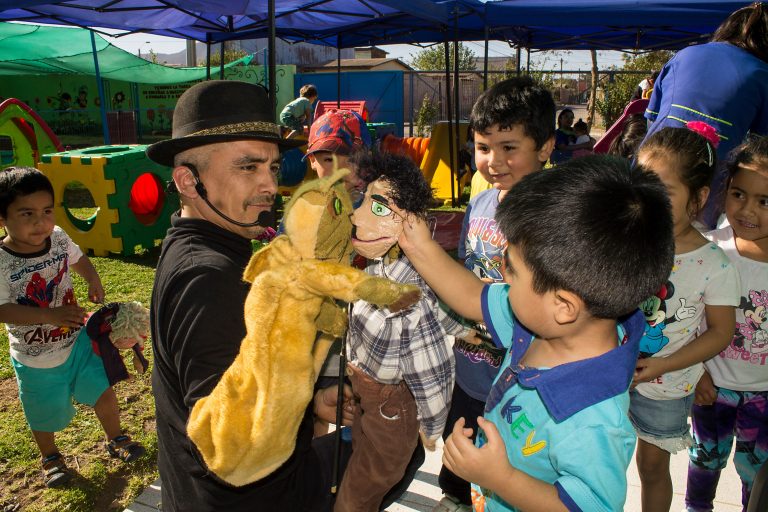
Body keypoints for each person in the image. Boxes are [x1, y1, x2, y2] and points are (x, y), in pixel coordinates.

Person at [145, 80, 420, 512]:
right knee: (403, 449)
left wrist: (308, 399)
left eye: (272, 168)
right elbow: (229, 446)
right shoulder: (209, 277)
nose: (270, 186)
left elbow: (241, 389)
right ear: (187, 180)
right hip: (257, 499)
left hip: (233, 490)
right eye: (247, 168)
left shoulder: (195, 245)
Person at [398, 155, 675, 511]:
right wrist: (417, 244)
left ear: (563, 306)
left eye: (509, 270)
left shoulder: (591, 420)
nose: (500, 273)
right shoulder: (542, 324)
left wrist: (501, 479)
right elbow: (471, 296)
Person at [438, 76, 555, 512]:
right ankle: (455, 499)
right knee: (460, 457)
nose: (493, 161)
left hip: (520, 379)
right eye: (483, 147)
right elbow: (466, 270)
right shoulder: (482, 204)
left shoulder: (553, 215)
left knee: (509, 473)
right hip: (470, 366)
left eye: (509, 147)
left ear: (544, 147)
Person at [335, 151, 471, 511]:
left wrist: (432, 425)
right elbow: (439, 306)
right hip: (367, 393)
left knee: (367, 482)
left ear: (410, 226)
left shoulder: (405, 295)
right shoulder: (378, 267)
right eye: (364, 201)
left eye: (378, 208)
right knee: (364, 461)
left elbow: (430, 368)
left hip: (390, 403)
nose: (356, 214)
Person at [0, 166, 144, 488]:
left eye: (47, 211)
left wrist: (92, 278)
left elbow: (77, 258)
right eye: (27, 213)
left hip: (78, 344)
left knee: (103, 391)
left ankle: (116, 437)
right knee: (42, 412)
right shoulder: (1, 261)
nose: (41, 222)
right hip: (35, 359)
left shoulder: (59, 238)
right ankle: (50, 456)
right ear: (2, 218)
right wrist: (48, 316)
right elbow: (2, 309)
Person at [632, 126, 740, 512]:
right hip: (612, 374)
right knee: (599, 457)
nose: (647, 199)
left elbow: (720, 333)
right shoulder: (628, 240)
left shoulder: (714, 265)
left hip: (667, 385)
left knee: (652, 467)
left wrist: (667, 365)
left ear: (699, 198)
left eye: (663, 191)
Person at [686, 135, 768, 511]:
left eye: (764, 201)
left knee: (758, 478)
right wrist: (697, 371)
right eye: (738, 194)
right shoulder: (708, 248)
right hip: (712, 389)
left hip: (764, 399)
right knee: (704, 468)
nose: (747, 210)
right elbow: (684, 320)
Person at [644, 3, 768, 228]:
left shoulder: (684, 54)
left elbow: (651, 118)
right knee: (693, 252)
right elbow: (761, 152)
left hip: (650, 166)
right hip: (706, 190)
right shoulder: (762, 74)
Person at [305, 108, 371, 203]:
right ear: (312, 160)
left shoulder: (375, 209)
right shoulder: (303, 211)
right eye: (329, 160)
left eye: (351, 160)